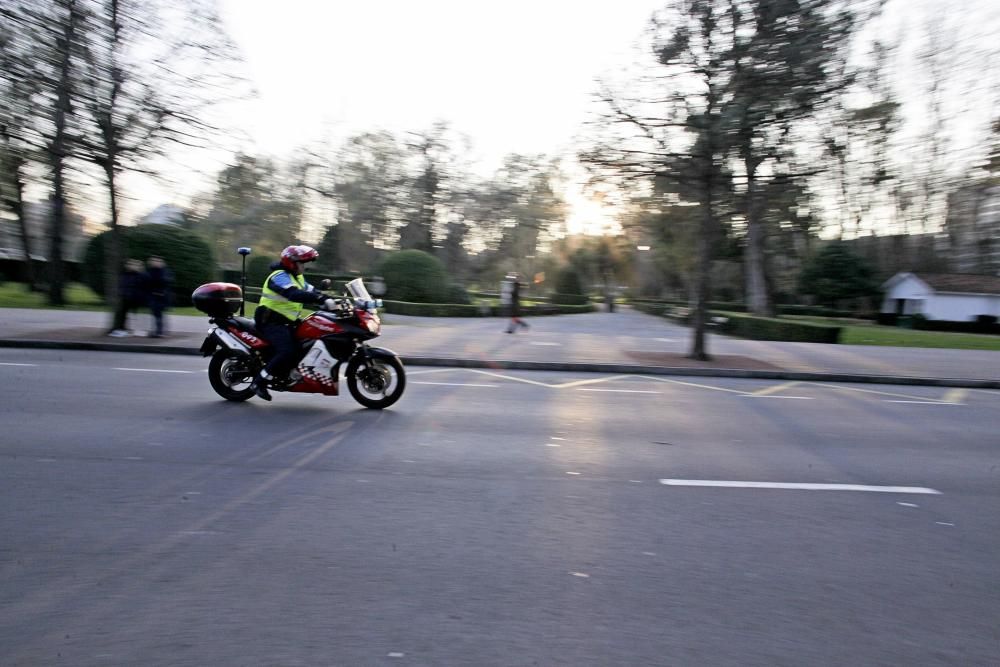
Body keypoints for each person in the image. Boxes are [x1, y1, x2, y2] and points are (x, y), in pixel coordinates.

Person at [250, 245, 333, 401]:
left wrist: (330, 300)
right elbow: (293, 293)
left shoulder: (298, 277)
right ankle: (259, 382)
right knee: (286, 350)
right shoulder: (279, 276)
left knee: (309, 339)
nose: (304, 266)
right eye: (302, 263)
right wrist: (319, 299)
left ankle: (293, 373)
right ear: (292, 263)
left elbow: (311, 291)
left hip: (286, 321)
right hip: (270, 321)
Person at [108, 259, 148, 337]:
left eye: (133, 265)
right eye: (129, 264)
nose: (131, 266)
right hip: (125, 297)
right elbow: (122, 285)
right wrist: (122, 293)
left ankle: (138, 330)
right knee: (123, 315)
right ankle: (123, 330)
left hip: (136, 298)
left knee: (135, 315)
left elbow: (145, 283)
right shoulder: (125, 274)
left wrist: (142, 270)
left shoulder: (141, 275)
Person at [145, 256, 173, 338]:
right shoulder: (150, 272)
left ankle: (160, 331)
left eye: (158, 261)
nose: (155, 263)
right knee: (155, 314)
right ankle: (157, 331)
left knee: (160, 314)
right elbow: (147, 283)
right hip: (153, 295)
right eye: (153, 261)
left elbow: (167, 281)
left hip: (162, 296)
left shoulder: (165, 271)